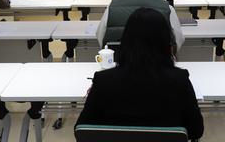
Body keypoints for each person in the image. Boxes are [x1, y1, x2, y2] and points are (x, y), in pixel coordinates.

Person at [77, 8, 204, 140]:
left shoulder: (103, 81)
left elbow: (82, 129)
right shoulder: (180, 80)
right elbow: (196, 130)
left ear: (125, 41)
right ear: (166, 42)